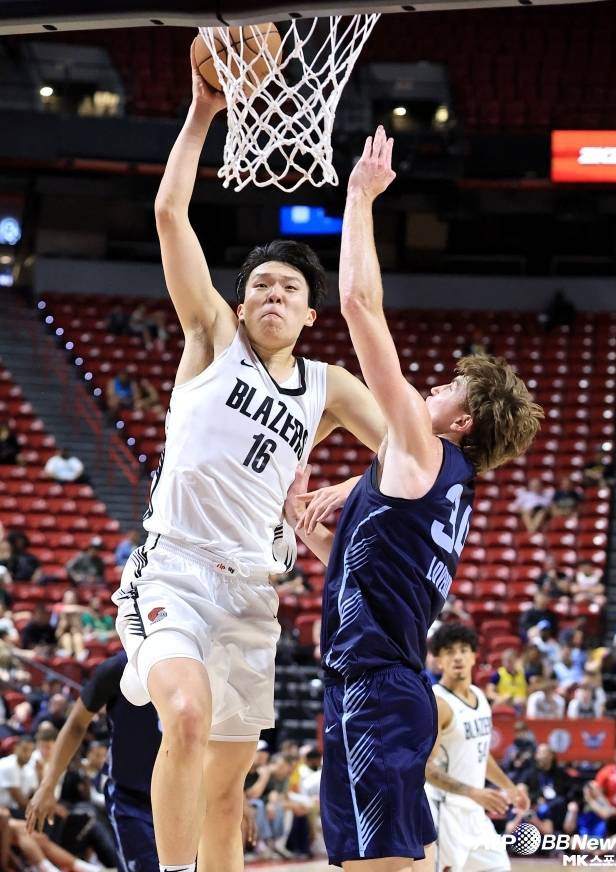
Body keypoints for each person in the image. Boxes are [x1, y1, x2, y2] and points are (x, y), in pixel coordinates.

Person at [112, 52, 387, 872]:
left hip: (252, 592)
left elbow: (413, 455)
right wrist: (203, 114)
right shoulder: (211, 339)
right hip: (174, 570)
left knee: (227, 794)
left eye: (289, 289)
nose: (273, 294)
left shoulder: (328, 387)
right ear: (240, 302)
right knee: (185, 720)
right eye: (261, 284)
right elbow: (169, 213)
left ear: (309, 314)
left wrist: (352, 482)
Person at [284, 127, 542, 871]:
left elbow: (359, 304)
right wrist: (302, 519)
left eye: (450, 388)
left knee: (385, 865)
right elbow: (362, 570)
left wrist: (360, 197)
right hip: (370, 684)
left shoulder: (424, 452)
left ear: (463, 422)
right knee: (385, 860)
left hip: (377, 688)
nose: (433, 385)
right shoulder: (439, 485)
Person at [27, 651, 162, 872]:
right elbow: (76, 724)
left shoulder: (196, 661)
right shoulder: (116, 668)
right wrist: (48, 785)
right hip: (131, 798)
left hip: (187, 793)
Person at [425, 624, 529, 872]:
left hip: (475, 812)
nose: (458, 657)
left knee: (500, 868)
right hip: (444, 812)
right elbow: (425, 768)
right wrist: (472, 792)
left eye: (463, 650)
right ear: (439, 661)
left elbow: (480, 754)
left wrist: (510, 787)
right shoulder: (437, 703)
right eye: (449, 652)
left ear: (474, 656)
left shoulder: (480, 696)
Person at [0, 734, 38, 817]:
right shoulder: (8, 764)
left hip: (13, 810)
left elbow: (35, 793)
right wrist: (38, 812)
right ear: (16, 748)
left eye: (31, 751)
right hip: (3, 809)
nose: (28, 754)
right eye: (25, 750)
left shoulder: (29, 768)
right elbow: (20, 800)